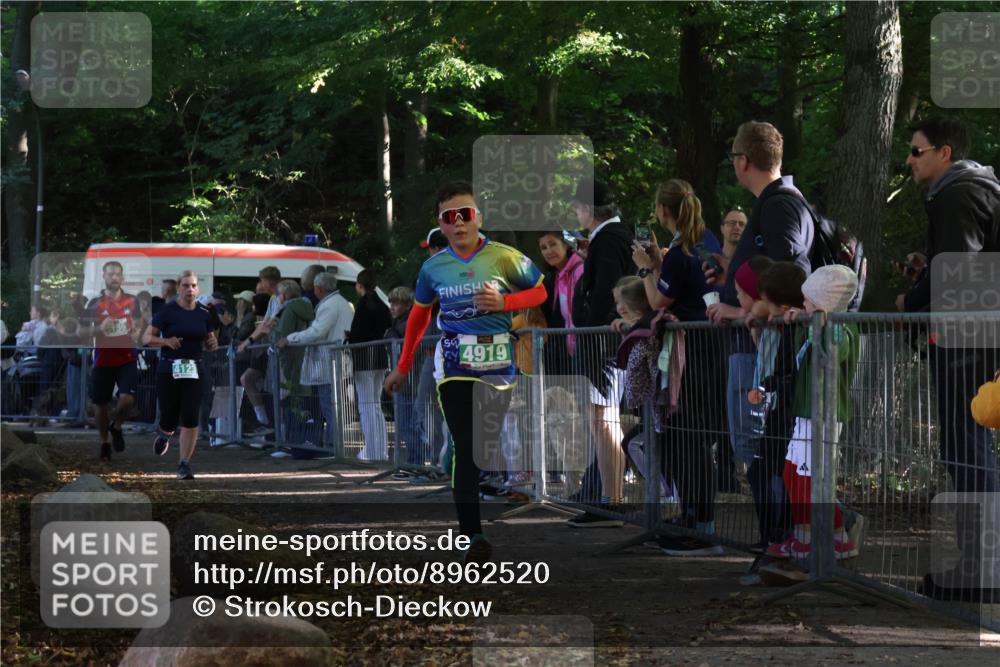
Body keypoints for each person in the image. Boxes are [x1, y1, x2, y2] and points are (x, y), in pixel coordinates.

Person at [384, 181, 546, 563]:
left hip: (499, 363)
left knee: (481, 445)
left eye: (465, 214)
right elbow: (419, 317)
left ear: (479, 218)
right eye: (449, 217)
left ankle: (459, 468)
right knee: (468, 446)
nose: (458, 223)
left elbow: (540, 291)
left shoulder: (505, 257)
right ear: (441, 225)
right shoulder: (433, 268)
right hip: (455, 362)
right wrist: (403, 366)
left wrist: (505, 302)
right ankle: (472, 535)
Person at [899, 117, 1000, 601]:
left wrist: (912, 303)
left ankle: (983, 569)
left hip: (969, 340)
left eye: (916, 151)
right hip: (973, 335)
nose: (909, 160)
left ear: (945, 153)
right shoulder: (968, 192)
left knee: (966, 447)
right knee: (967, 447)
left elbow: (958, 272)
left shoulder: (959, 193)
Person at [706, 121, 815, 514]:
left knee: (764, 453)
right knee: (761, 453)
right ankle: (783, 536)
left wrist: (743, 309)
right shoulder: (776, 202)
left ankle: (790, 534)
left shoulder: (780, 204)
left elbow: (789, 271)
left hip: (769, 347)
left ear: (743, 161)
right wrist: (731, 279)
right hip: (759, 344)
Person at [630, 179, 726, 553]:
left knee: (687, 438)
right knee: (686, 438)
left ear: (662, 211)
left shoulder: (681, 249)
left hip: (690, 354)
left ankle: (701, 524)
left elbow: (658, 300)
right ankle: (693, 517)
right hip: (709, 349)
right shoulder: (704, 239)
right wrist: (658, 263)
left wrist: (645, 269)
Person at [756, 265, 860, 560]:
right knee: (793, 474)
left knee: (810, 479)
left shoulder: (842, 327)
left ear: (824, 304)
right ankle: (813, 537)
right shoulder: (816, 321)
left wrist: (819, 323)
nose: (803, 305)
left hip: (824, 414)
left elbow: (836, 349)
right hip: (807, 411)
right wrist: (803, 320)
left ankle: (829, 538)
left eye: (808, 301)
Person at [567, 178, 636, 525]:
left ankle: (613, 499)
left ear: (587, 209)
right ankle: (610, 496)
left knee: (604, 419)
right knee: (603, 420)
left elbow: (606, 289)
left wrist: (590, 327)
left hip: (602, 344)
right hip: (605, 342)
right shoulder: (614, 237)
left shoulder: (608, 239)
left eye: (578, 209)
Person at [744, 261, 806, 551]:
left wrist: (766, 385)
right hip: (781, 411)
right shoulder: (784, 328)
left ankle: (778, 537)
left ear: (781, 306)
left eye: (767, 302)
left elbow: (790, 373)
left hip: (790, 415)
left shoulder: (796, 329)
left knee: (778, 474)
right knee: (769, 473)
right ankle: (774, 537)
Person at [143, 271, 218, 480]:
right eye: (185, 285)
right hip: (169, 369)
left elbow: (210, 339)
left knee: (191, 415)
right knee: (169, 416)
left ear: (198, 289)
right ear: (178, 288)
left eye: (193, 286)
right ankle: (165, 434)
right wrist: (166, 342)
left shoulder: (204, 313)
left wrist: (212, 343)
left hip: (195, 369)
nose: (190, 290)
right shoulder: (167, 311)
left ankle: (184, 464)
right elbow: (147, 337)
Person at [277, 271, 354, 450]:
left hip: (329, 362)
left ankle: (334, 446)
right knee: (333, 405)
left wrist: (290, 338)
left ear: (318, 288)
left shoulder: (330, 305)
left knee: (330, 406)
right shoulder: (340, 302)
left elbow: (317, 331)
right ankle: (333, 445)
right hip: (336, 360)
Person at [84, 261, 140, 463]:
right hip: (103, 359)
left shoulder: (132, 301)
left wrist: (136, 332)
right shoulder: (94, 304)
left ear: (122, 277)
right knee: (100, 406)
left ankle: (116, 427)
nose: (114, 277)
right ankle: (104, 443)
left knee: (127, 400)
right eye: (110, 274)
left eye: (117, 274)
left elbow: (139, 325)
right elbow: (82, 332)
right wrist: (100, 329)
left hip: (127, 358)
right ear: (104, 276)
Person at [413, 229, 450, 474]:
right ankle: (439, 459)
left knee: (443, 407)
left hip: (447, 350)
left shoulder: (449, 271)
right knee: (426, 405)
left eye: (430, 249)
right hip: (431, 353)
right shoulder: (431, 271)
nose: (428, 254)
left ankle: (447, 461)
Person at [348, 269, 393, 461]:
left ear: (360, 285)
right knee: (375, 405)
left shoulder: (363, 305)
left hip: (364, 360)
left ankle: (372, 451)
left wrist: (350, 338)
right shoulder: (382, 305)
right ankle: (380, 450)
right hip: (380, 359)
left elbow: (358, 334)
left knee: (366, 405)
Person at [270, 280, 315, 444]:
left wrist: (273, 329)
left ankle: (290, 441)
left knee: (289, 400)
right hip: (302, 358)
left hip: (289, 361)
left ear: (283, 295)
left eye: (278, 294)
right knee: (298, 400)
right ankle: (298, 440)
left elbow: (283, 336)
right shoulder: (306, 307)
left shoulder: (289, 310)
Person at [385, 286, 422, 468]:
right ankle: (414, 461)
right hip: (406, 380)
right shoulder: (398, 323)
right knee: (406, 424)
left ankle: (416, 462)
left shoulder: (408, 324)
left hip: (409, 380)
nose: (392, 307)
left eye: (397, 303)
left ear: (407, 305)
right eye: (391, 303)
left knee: (408, 424)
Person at [539, 230, 584, 374]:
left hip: (586, 346)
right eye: (544, 248)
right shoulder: (555, 276)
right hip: (570, 347)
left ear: (566, 245)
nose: (548, 251)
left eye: (553, 244)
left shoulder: (580, 269)